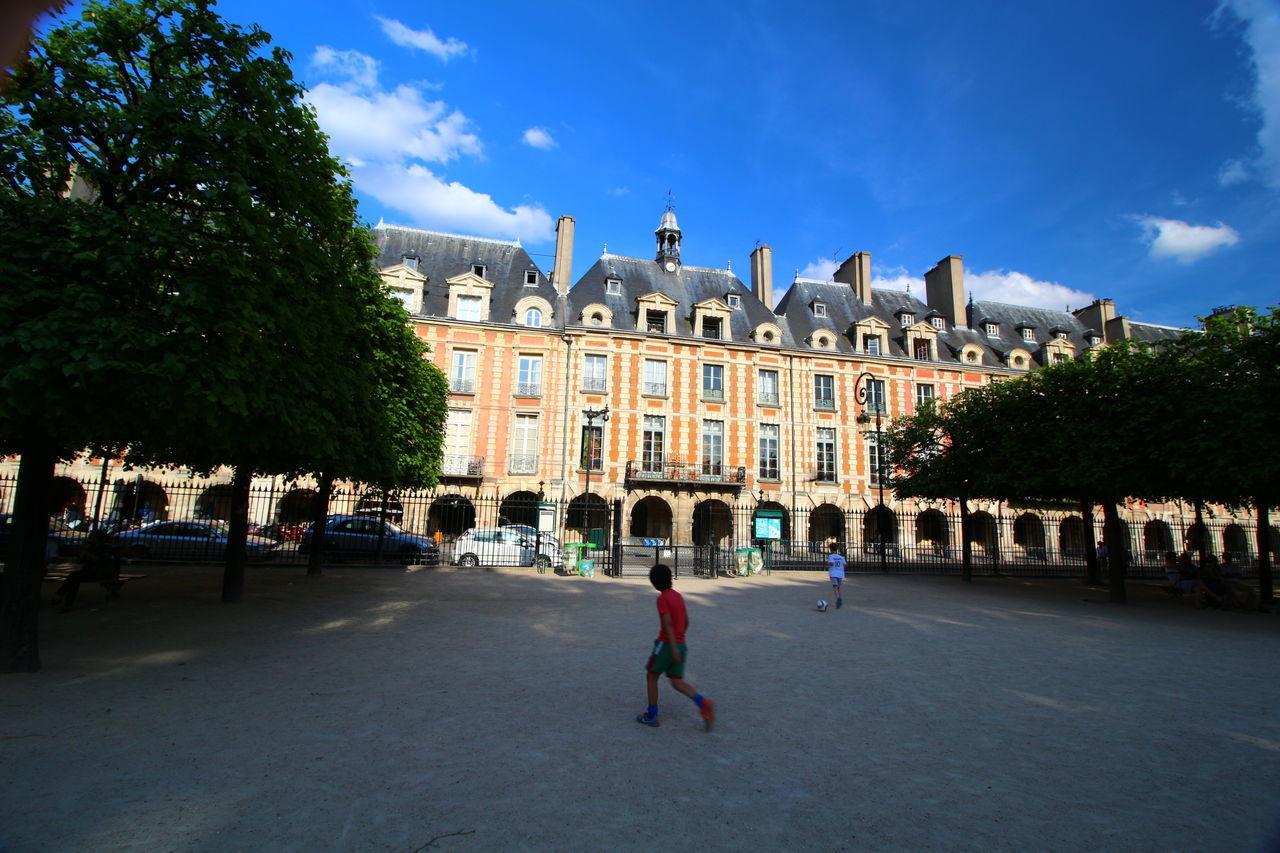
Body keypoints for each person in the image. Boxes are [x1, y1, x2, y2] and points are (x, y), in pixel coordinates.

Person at [636, 564, 714, 731]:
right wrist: (679, 641)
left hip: (667, 645)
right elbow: (686, 621)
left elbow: (667, 623)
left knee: (651, 676)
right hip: (681, 643)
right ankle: (703, 703)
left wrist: (672, 647)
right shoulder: (678, 596)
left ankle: (651, 715)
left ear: (654, 582)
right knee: (677, 682)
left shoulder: (662, 598)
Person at [52, 530, 120, 613]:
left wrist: (87, 554)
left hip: (101, 572)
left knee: (74, 577)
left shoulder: (105, 548)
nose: (92, 539)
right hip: (89, 571)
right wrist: (82, 554)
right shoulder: (90, 547)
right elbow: (81, 561)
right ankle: (66, 602)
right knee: (74, 579)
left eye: (94, 538)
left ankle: (61, 595)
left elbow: (102, 561)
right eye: (91, 537)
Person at [826, 541, 847, 609]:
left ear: (830, 549)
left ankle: (838, 598)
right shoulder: (841, 557)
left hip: (834, 574)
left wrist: (828, 564)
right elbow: (845, 565)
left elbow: (831, 563)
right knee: (838, 587)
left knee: (835, 587)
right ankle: (840, 597)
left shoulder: (831, 556)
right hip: (840, 574)